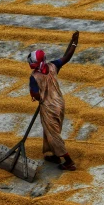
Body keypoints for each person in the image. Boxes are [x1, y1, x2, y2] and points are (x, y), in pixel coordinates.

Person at [28, 31, 79, 171]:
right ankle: (55, 156)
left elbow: (36, 95)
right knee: (50, 130)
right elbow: (67, 57)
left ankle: (68, 161)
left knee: (53, 136)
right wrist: (74, 42)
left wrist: (38, 95)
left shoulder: (34, 77)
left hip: (49, 107)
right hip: (59, 103)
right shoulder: (53, 66)